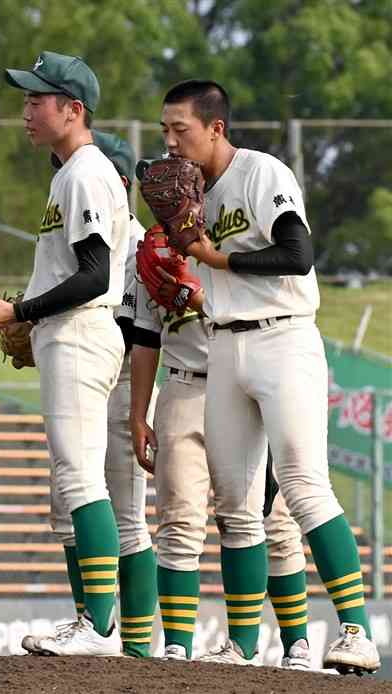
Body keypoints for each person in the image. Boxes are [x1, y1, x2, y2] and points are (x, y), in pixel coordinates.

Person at [157, 78, 379, 673]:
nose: (171, 142)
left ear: (216, 128)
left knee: (305, 487)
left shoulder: (262, 174)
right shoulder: (191, 192)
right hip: (223, 346)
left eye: (181, 129)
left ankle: (356, 631)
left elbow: (298, 254)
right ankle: (241, 645)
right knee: (236, 505)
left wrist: (216, 258)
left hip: (284, 336)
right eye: (165, 130)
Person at [0, 51, 129, 656]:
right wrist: (16, 310)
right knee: (71, 483)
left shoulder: (86, 170)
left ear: (73, 109)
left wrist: (19, 313)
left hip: (83, 331)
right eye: (27, 99)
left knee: (81, 477)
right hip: (71, 333)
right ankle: (90, 620)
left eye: (38, 100)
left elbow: (94, 274)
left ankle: (100, 628)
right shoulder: (67, 173)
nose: (26, 111)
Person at [129, 267, 311, 668]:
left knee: (275, 522)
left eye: (182, 197)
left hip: (249, 387)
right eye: (161, 199)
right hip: (183, 386)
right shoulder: (155, 253)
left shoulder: (239, 246)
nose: (171, 201)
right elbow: (145, 338)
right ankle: (177, 644)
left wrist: (196, 297)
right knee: (178, 520)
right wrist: (138, 413)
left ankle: (296, 643)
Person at [22, 130, 157, 657]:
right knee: (67, 505)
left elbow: (145, 328)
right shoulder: (85, 216)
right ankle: (89, 622)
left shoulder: (141, 242)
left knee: (124, 516)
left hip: (124, 376)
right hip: (92, 357)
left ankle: (135, 646)